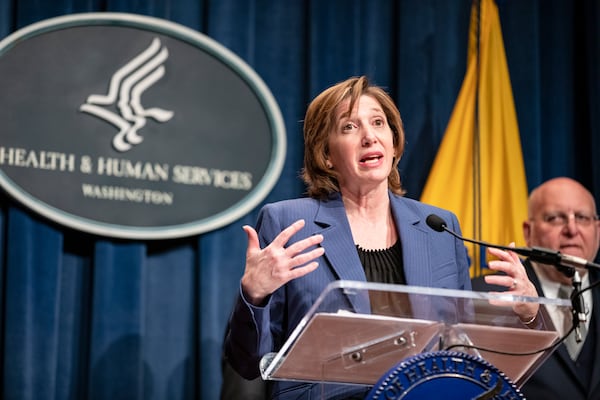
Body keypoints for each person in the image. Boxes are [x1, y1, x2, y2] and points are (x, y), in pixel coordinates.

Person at [223, 76, 536, 400]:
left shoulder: (439, 228)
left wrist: (528, 314)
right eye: (349, 127)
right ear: (326, 154)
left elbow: (466, 350)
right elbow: (248, 363)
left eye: (378, 123)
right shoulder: (290, 222)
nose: (369, 137)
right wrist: (254, 295)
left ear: (394, 142)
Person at [473, 177, 600, 399]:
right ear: (528, 231)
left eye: (581, 218)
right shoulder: (484, 296)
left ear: (597, 230)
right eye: (555, 218)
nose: (572, 229)